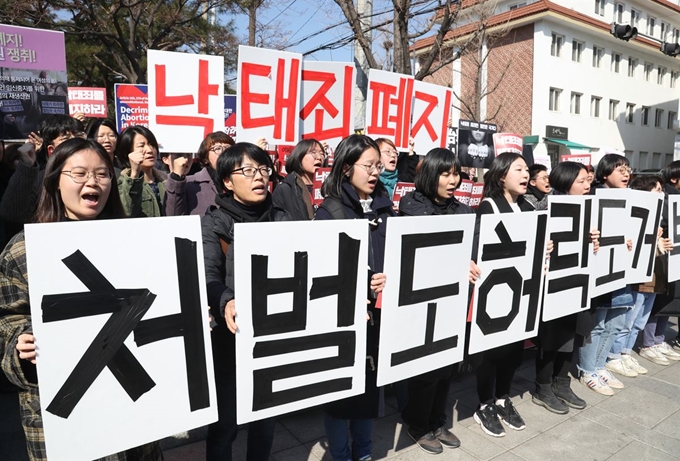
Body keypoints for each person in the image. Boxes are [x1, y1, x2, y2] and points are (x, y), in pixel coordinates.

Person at [0, 138, 162, 461]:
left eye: (102, 174)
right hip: (62, 415)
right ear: (54, 180)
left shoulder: (136, 244)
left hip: (130, 411)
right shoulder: (23, 251)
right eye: (79, 173)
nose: (93, 182)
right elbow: (7, 321)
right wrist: (19, 344)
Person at [202, 142, 283, 461]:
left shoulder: (284, 219)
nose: (259, 177)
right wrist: (226, 301)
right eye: (247, 171)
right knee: (225, 425)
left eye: (263, 169)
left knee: (265, 420)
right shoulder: (215, 223)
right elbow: (209, 274)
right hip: (230, 339)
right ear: (226, 181)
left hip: (273, 336)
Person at [316, 134, 392, 461]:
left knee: (367, 392)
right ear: (347, 169)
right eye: (368, 166)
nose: (376, 172)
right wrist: (359, 286)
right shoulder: (330, 211)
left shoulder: (385, 207)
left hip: (376, 318)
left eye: (379, 165)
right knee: (339, 397)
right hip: (342, 319)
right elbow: (321, 269)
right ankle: (342, 455)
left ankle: (363, 453)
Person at [471, 152, 546, 438]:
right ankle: (485, 404)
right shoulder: (488, 207)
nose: (526, 174)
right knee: (490, 353)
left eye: (527, 169)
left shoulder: (528, 206)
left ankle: (503, 398)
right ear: (502, 175)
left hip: (520, 292)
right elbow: (480, 249)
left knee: (513, 350)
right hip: (494, 292)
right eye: (519, 169)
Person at [398, 148, 468, 454]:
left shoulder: (463, 211)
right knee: (425, 370)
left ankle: (438, 419)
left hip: (452, 300)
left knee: (447, 366)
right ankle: (418, 423)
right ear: (430, 174)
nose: (452, 181)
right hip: (421, 301)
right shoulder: (411, 206)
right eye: (445, 173)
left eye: (456, 174)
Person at [532, 162, 597, 415]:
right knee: (552, 338)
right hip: (554, 284)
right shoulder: (545, 208)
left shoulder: (589, 209)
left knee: (574, 334)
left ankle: (562, 382)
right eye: (581, 181)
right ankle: (543, 386)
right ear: (566, 181)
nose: (587, 185)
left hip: (578, 281)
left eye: (587, 180)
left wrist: (594, 242)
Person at [606, 175, 678, 373]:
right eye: (656, 189)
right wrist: (656, 243)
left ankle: (626, 352)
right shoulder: (635, 211)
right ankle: (615, 354)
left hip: (653, 273)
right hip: (638, 275)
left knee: (640, 318)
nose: (661, 193)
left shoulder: (658, 214)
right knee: (629, 318)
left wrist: (659, 243)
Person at [577, 153, 633, 395]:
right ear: (604, 174)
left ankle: (600, 365)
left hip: (622, 271)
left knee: (617, 321)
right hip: (601, 272)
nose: (626, 173)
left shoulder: (631, 200)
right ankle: (587, 370)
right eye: (619, 169)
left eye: (628, 169)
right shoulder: (591, 199)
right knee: (597, 324)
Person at [0, 115, 84, 227]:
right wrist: (26, 166)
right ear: (51, 150)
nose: (76, 143)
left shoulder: (109, 175)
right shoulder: (37, 181)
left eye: (79, 136)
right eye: (65, 139)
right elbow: (12, 213)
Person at [165, 132, 235, 217]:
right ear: (206, 158)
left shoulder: (242, 180)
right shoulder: (190, 183)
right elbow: (174, 215)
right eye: (217, 148)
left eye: (227, 148)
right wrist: (177, 178)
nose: (223, 152)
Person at [115, 126, 167, 218]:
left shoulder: (166, 180)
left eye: (151, 144)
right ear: (128, 152)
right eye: (141, 146)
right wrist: (134, 174)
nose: (149, 150)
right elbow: (129, 211)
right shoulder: (122, 183)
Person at [271, 138, 324, 220]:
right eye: (313, 152)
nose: (319, 157)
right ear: (299, 156)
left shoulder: (329, 188)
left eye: (322, 153)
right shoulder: (285, 189)